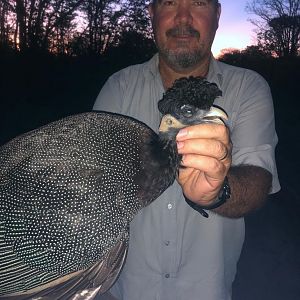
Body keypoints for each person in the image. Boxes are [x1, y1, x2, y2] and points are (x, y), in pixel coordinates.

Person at [93, 0, 280, 299]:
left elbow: (259, 179)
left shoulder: (249, 87)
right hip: (123, 289)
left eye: (198, 2)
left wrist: (218, 191)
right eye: (169, 2)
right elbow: (94, 184)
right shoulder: (119, 87)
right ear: (152, 14)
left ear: (217, 15)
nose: (183, 17)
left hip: (207, 289)